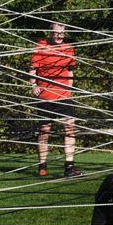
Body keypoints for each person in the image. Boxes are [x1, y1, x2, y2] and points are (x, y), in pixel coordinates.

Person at [29, 23, 78, 178]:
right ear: (50, 33)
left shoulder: (69, 49)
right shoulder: (40, 47)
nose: (59, 36)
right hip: (46, 96)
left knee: (70, 128)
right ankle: (42, 166)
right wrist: (33, 85)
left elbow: (70, 71)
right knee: (44, 131)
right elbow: (32, 70)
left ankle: (69, 167)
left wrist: (70, 89)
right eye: (56, 33)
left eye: (62, 33)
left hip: (64, 96)